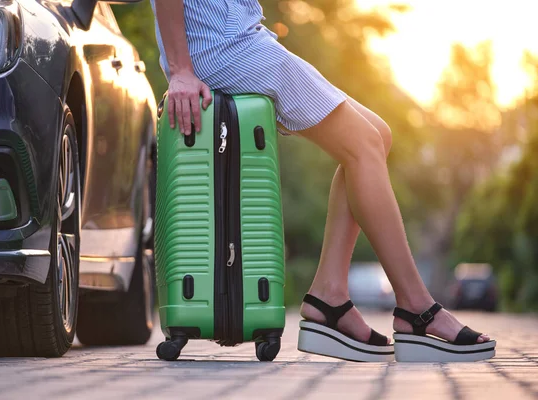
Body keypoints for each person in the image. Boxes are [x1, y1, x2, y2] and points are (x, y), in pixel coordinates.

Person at [150, 0, 495, 362]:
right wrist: (180, 69)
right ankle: (415, 307)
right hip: (222, 47)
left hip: (242, 37)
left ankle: (329, 295)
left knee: (377, 135)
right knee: (364, 144)